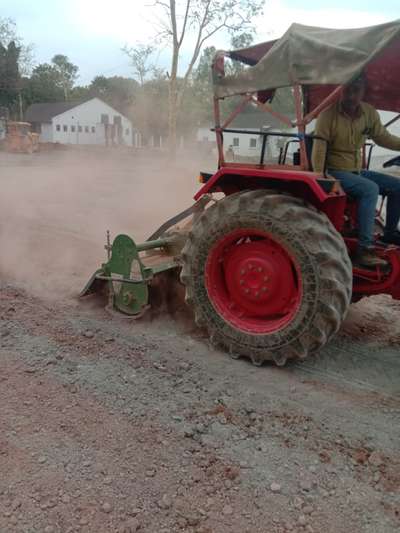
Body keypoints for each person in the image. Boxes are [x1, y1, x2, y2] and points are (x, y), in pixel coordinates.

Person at [312, 74, 400, 268]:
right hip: (335, 171)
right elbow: (319, 147)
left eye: (356, 90)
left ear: (363, 92)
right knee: (370, 189)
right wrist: (320, 176)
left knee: (397, 186)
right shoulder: (328, 115)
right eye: (348, 89)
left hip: (356, 171)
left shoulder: (369, 113)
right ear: (341, 90)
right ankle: (364, 250)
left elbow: (383, 137)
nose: (351, 95)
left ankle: (390, 234)